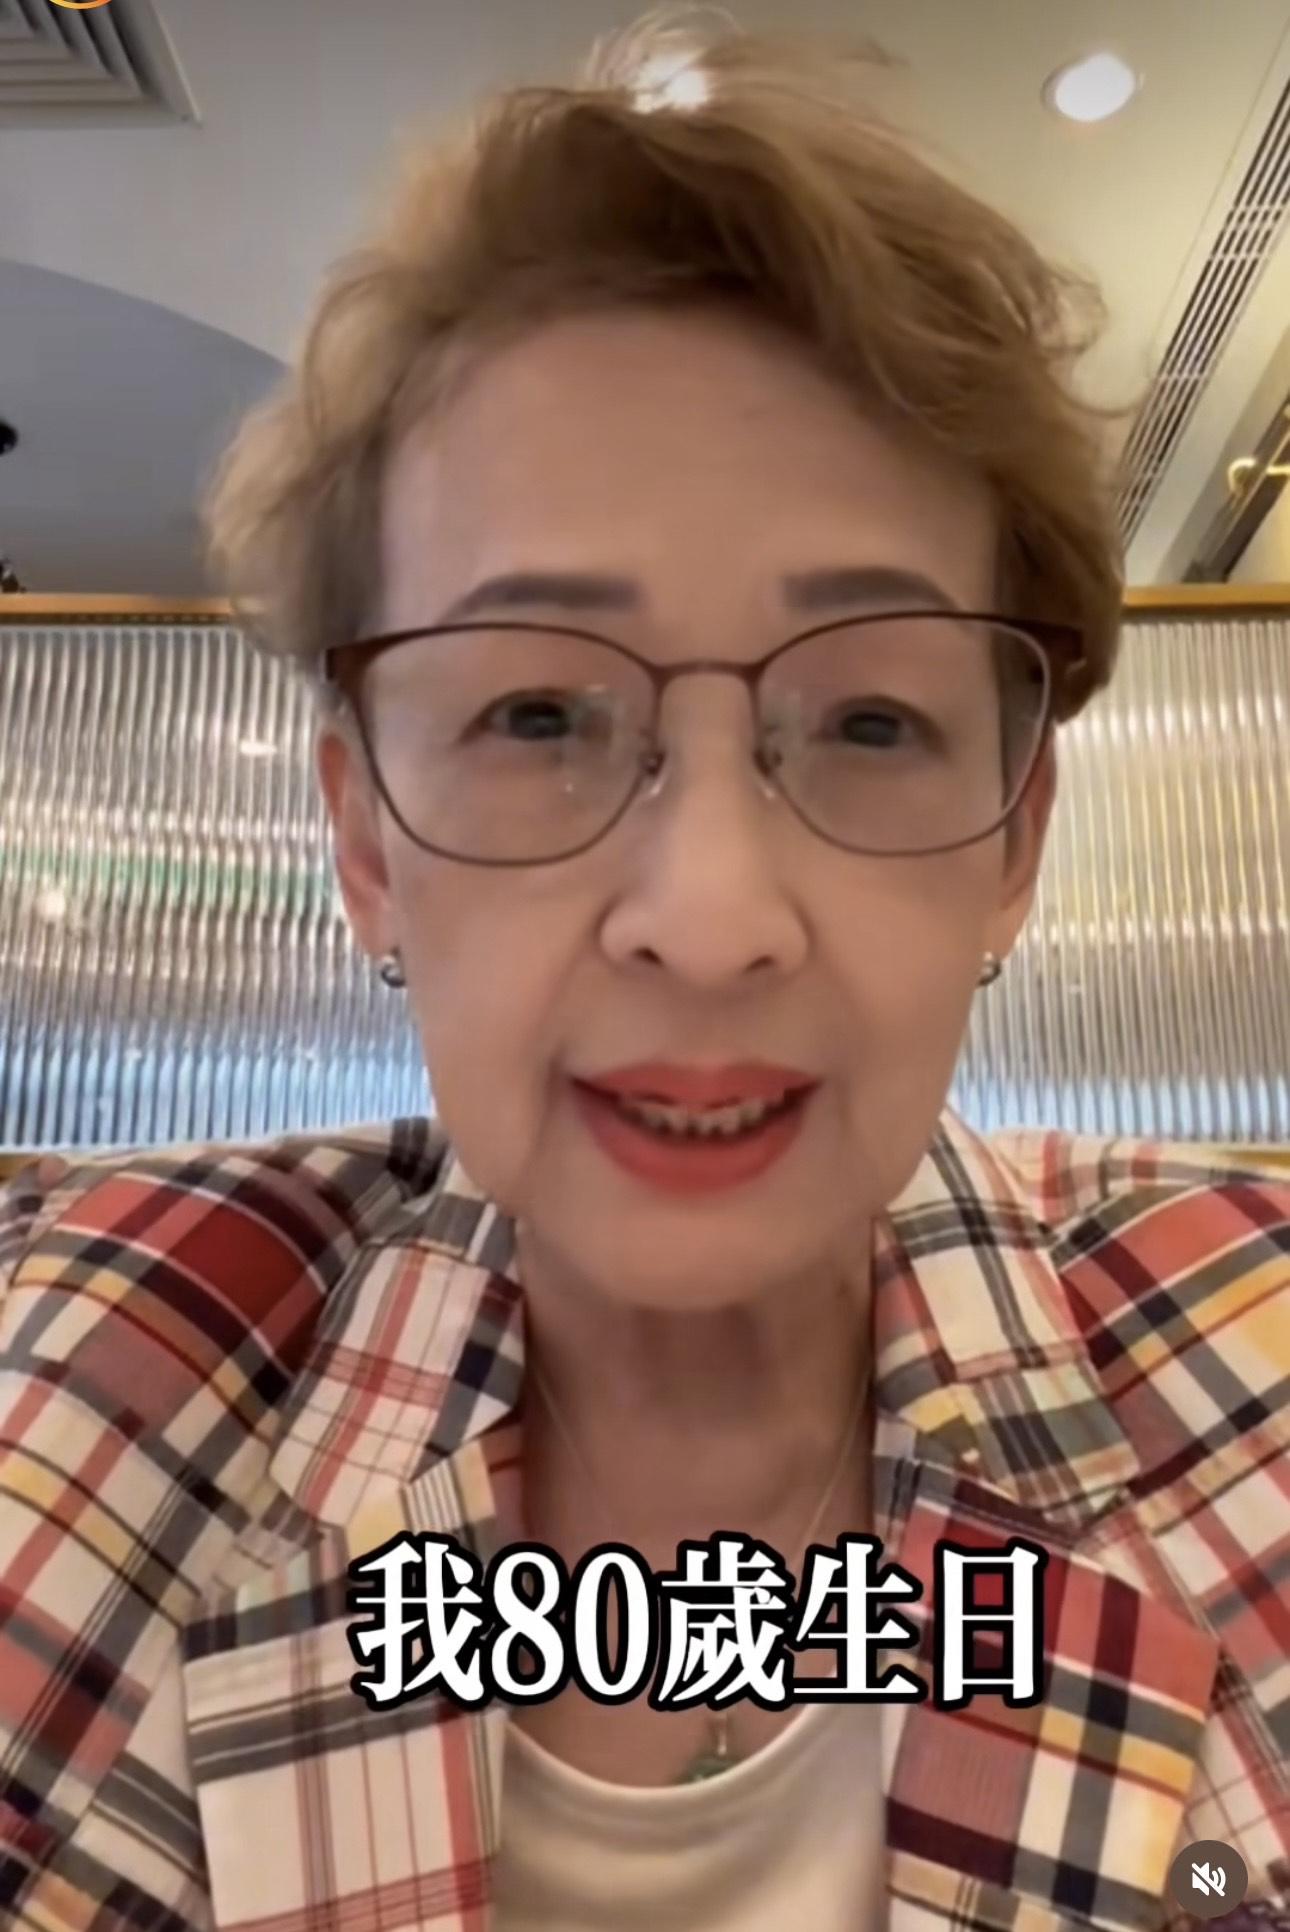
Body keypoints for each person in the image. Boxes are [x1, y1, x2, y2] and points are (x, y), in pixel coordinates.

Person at [1, 18, 1286, 1932]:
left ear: (1013, 842)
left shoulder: (1249, 1381)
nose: (707, 916)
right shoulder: (77, 1395)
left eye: (867, 720)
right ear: (367, 843)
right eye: (537, 713)